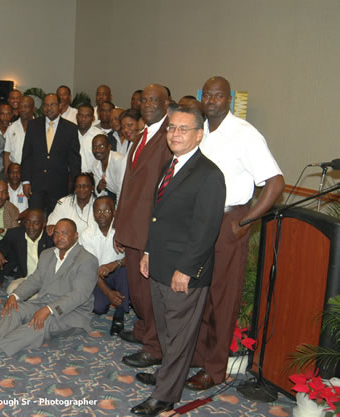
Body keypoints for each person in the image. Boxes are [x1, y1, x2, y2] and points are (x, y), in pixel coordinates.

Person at [186, 76, 284, 391]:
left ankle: (214, 370)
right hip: (198, 223)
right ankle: (197, 358)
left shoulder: (244, 134)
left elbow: (274, 182)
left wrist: (246, 222)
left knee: (222, 299)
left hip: (228, 222)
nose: (212, 100)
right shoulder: (200, 132)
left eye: (219, 95)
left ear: (228, 99)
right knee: (197, 294)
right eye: (208, 95)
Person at [130, 106, 226, 416]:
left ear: (200, 135)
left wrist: (186, 269)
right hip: (159, 262)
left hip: (183, 270)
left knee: (179, 335)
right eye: (171, 128)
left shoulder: (209, 175)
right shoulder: (169, 165)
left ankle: (165, 397)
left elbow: (206, 230)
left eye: (183, 129)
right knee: (167, 331)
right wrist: (147, 251)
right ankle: (166, 376)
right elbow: (157, 219)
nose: (175, 133)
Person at [0, 219, 98, 360]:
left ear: (75, 236)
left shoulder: (87, 260)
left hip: (73, 313)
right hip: (44, 302)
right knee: (15, 309)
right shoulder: (48, 254)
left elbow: (79, 295)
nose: (59, 237)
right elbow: (34, 280)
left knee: (42, 322)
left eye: (64, 233)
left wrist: (49, 309)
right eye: (56, 233)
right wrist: (15, 295)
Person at [114, 84, 172, 368]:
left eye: (154, 100)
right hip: (132, 227)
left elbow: (166, 190)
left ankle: (154, 346)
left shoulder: (170, 136)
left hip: (152, 230)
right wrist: (119, 224)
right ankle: (143, 330)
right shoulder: (141, 134)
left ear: (166, 103)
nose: (147, 104)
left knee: (149, 292)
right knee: (137, 289)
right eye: (144, 99)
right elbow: (128, 183)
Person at [21, 93, 81, 214]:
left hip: (59, 185)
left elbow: (74, 159)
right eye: (46, 105)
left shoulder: (71, 128)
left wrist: (75, 185)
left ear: (60, 106)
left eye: (53, 104)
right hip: (35, 185)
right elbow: (27, 155)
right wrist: (26, 181)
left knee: (55, 221)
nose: (49, 108)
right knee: (35, 218)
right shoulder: (33, 125)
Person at [79, 196, 128, 336]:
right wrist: (108, 292)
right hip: (97, 277)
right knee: (98, 307)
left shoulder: (122, 230)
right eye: (98, 211)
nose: (102, 215)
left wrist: (115, 264)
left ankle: (119, 315)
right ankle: (112, 298)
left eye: (106, 210)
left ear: (114, 212)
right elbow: (89, 268)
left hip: (119, 273)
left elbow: (132, 258)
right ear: (93, 213)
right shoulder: (87, 235)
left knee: (123, 271)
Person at [0, 209, 54, 292]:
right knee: (11, 291)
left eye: (36, 223)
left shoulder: (51, 238)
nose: (31, 227)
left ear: (44, 224)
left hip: (48, 280)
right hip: (26, 279)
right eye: (27, 222)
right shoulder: (15, 234)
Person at [90, 134, 126, 199]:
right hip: (115, 195)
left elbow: (122, 189)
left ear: (109, 147)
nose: (97, 150)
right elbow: (99, 192)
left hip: (129, 194)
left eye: (101, 146)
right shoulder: (95, 164)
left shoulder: (118, 161)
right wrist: (99, 188)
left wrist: (118, 208)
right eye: (94, 147)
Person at [4, 96, 35, 167]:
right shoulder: (11, 128)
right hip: (15, 171)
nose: (22, 109)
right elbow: (7, 153)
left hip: (34, 170)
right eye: (20, 107)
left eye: (26, 106)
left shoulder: (40, 128)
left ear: (33, 109)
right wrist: (6, 172)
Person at [76, 103, 106, 172]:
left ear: (93, 118)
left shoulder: (100, 135)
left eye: (87, 116)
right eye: (80, 115)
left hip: (93, 177)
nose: (83, 119)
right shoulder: (70, 133)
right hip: (73, 178)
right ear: (76, 116)